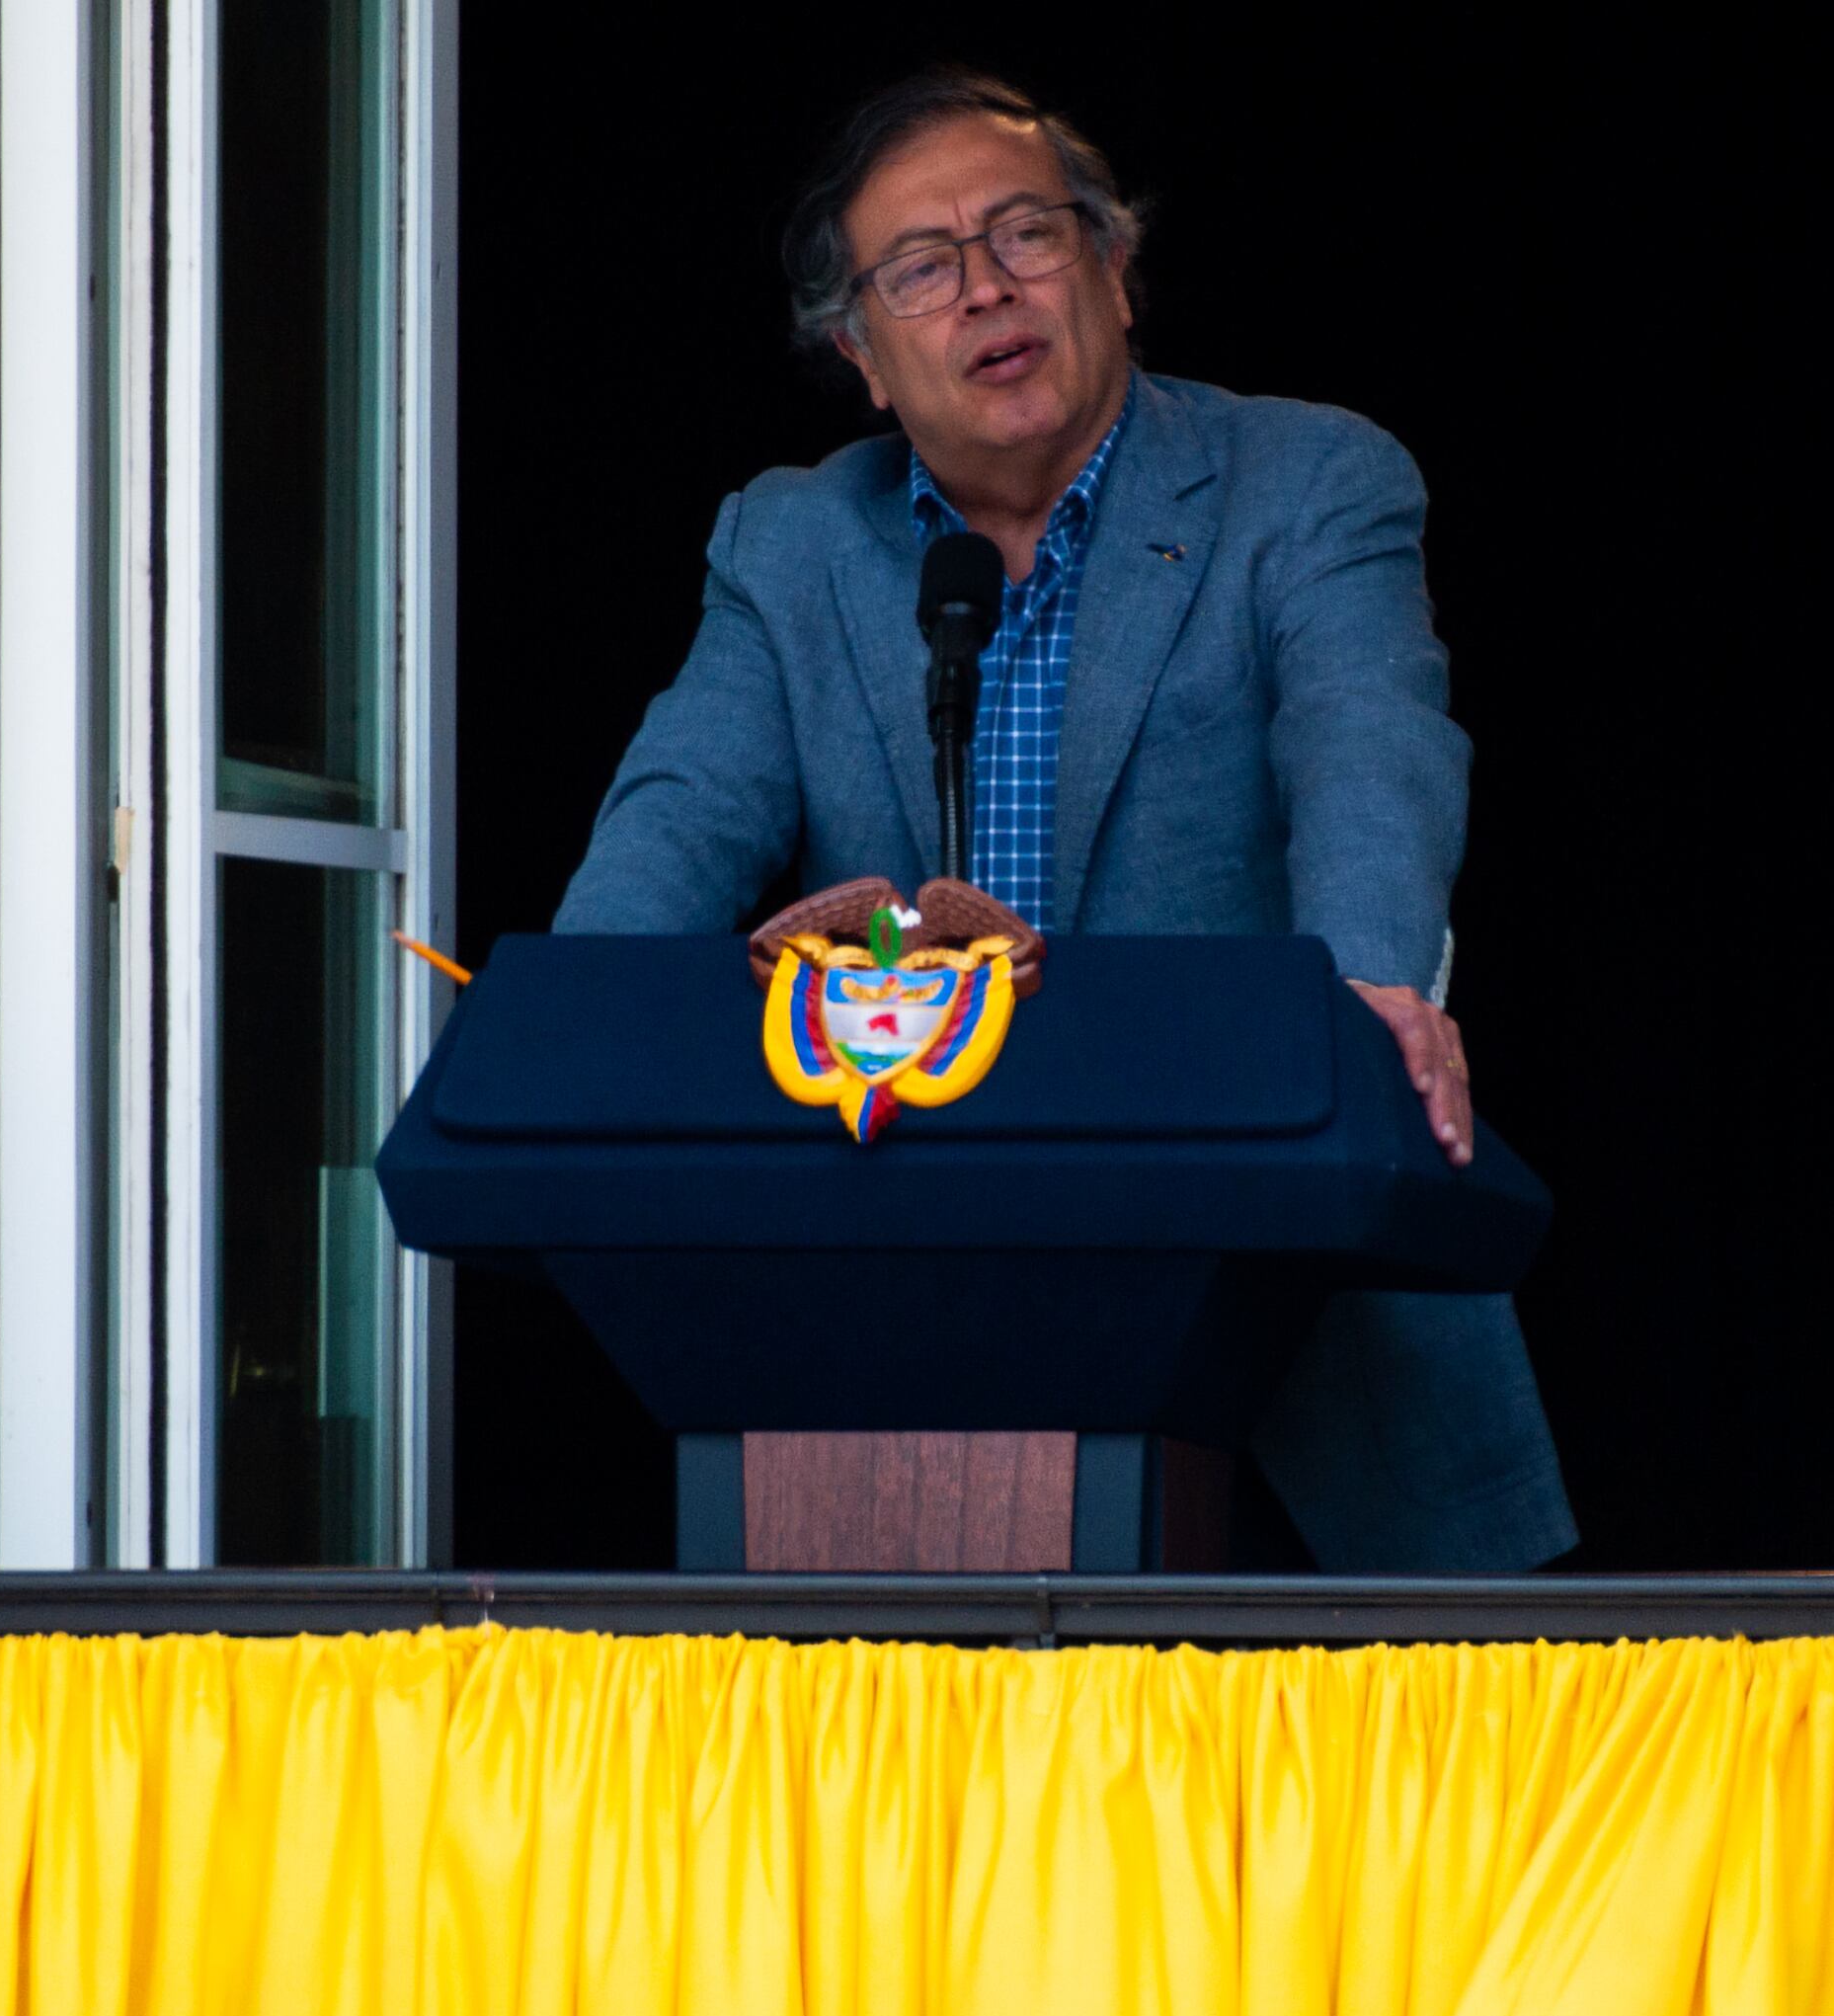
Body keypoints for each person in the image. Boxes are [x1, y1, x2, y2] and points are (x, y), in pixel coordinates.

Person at [556, 69, 1574, 1574]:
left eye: (1025, 233)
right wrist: (579, 1028)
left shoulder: (1305, 483)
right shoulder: (790, 543)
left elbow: (1371, 751)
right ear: (863, 355)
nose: (984, 288)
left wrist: (1374, 997)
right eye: (922, 266)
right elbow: (679, 813)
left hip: (1298, 1299)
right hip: (922, 1335)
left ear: (1115, 267)